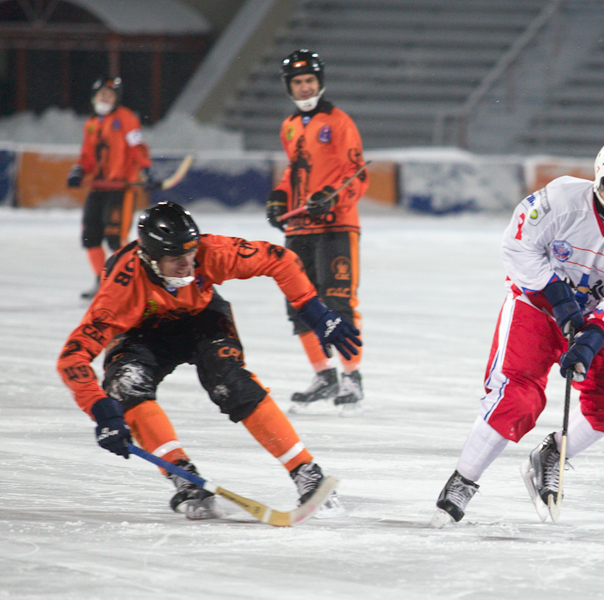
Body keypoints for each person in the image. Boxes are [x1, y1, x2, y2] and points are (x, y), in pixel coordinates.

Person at [56, 201, 361, 519]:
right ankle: (182, 476)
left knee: (232, 384)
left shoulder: (210, 251)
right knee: (125, 388)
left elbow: (280, 259)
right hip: (140, 331)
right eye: (176, 259)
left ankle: (306, 472)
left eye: (190, 253)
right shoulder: (119, 290)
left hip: (202, 317)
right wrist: (103, 411)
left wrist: (314, 309)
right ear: (149, 257)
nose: (188, 264)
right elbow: (72, 357)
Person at [430, 138, 604, 526]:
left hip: (591, 316)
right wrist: (558, 298)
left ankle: (553, 454)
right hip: (535, 309)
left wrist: (593, 337)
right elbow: (517, 247)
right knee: (517, 399)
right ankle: (463, 481)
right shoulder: (559, 201)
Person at [264, 49, 369, 412]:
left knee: (338, 302)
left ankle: (351, 377)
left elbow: (358, 176)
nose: (305, 86)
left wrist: (331, 197)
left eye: (310, 80)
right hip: (300, 228)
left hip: (337, 226)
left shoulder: (340, 122)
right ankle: (324, 376)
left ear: (320, 82)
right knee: (299, 303)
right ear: (289, 87)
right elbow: (294, 172)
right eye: (298, 82)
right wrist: (279, 197)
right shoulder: (289, 125)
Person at [66, 76, 155, 300]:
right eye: (101, 94)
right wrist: (79, 170)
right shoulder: (92, 124)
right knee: (90, 236)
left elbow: (137, 147)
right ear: (94, 97)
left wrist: (145, 168)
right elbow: (87, 156)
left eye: (110, 95)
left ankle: (128, 283)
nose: (105, 98)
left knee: (115, 238)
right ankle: (102, 280)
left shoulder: (126, 119)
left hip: (120, 188)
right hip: (98, 187)